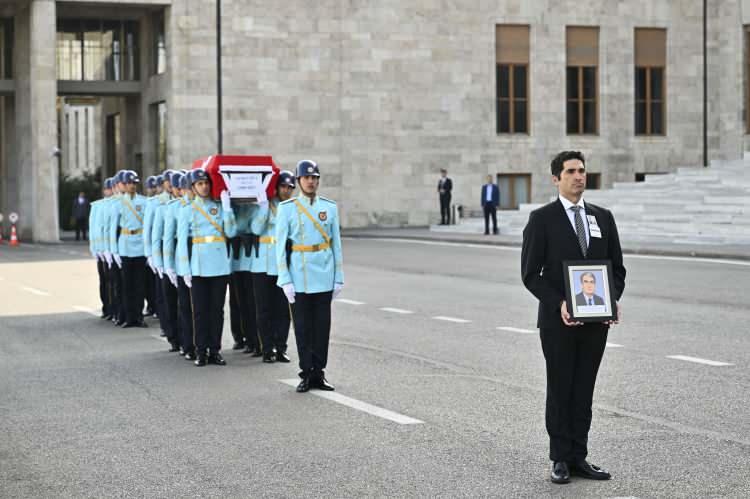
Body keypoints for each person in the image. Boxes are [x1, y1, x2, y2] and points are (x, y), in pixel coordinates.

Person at [521, 150, 626, 484]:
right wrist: (560, 304)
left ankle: (579, 456)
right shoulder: (542, 219)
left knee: (584, 389)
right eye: (571, 171)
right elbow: (530, 274)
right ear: (556, 179)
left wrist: (611, 300)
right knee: (561, 387)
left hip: (596, 322)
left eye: (582, 170)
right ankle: (559, 458)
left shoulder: (603, 217)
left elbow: (617, 269)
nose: (579, 176)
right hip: (558, 323)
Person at [276, 160, 344, 392]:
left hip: (324, 275)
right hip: (300, 276)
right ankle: (306, 372)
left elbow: (336, 245)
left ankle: (319, 372)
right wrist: (285, 279)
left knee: (322, 328)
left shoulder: (330, 208)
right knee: (303, 328)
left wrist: (338, 277)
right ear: (298, 181)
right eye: (307, 178)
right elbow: (279, 248)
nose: (311, 181)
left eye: (315, 177)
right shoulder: (288, 209)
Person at [177, 168, 237, 367]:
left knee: (217, 310)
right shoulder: (187, 210)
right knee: (200, 311)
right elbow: (182, 244)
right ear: (193, 187)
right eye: (199, 184)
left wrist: (227, 208)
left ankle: (215, 350)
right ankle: (201, 351)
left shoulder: (219, 207)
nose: (204, 187)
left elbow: (231, 231)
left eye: (206, 183)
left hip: (219, 265)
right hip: (199, 266)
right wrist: (185, 269)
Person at [250, 170, 295, 363]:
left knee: (283, 310)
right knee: (264, 309)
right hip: (261, 263)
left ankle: (281, 347)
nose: (286, 190)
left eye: (290, 187)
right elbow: (255, 229)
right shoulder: (265, 204)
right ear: (276, 187)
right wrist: (262, 208)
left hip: (283, 264)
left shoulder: (293, 207)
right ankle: (267, 348)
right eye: (283, 186)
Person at [110, 170, 149, 328]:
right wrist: (114, 251)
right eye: (129, 183)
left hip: (139, 245)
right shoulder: (118, 203)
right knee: (126, 285)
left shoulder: (144, 201)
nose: (132, 186)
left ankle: (138, 316)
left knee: (139, 284)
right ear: (123, 185)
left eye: (134, 183)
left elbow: (147, 226)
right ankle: (127, 317)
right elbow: (113, 228)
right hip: (125, 245)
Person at [163, 172, 194, 357]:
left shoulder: (201, 206)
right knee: (183, 306)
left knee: (198, 307)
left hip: (199, 258)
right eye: (187, 188)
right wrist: (168, 265)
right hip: (180, 258)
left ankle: (197, 343)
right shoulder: (174, 207)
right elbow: (168, 238)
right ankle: (184, 342)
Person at [228, 201, 260, 356]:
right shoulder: (230, 206)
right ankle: (240, 336)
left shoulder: (256, 207)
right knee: (237, 302)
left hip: (250, 262)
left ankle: (253, 339)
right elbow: (232, 230)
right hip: (234, 261)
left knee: (251, 303)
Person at [89, 179, 113, 318]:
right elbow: (94, 229)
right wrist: (96, 248)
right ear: (104, 190)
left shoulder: (118, 204)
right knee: (105, 280)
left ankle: (115, 308)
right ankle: (106, 307)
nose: (110, 191)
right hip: (102, 249)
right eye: (108, 189)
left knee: (115, 282)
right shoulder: (98, 206)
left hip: (115, 249)